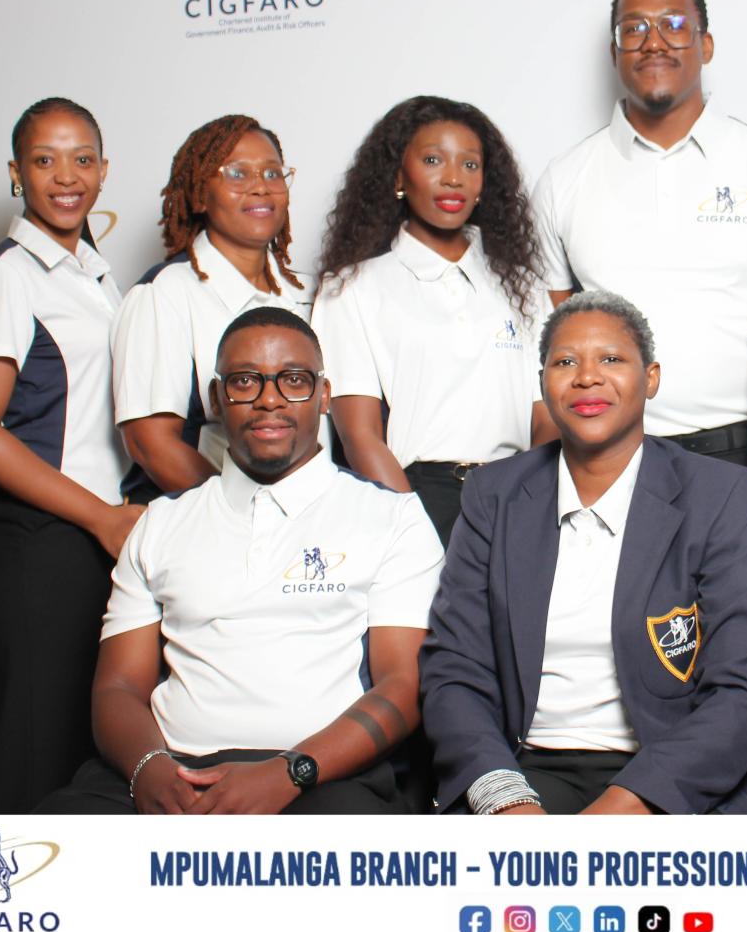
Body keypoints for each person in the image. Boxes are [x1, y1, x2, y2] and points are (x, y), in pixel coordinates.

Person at [39, 308, 444, 814]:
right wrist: (152, 771)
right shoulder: (161, 523)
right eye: (245, 381)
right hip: (172, 769)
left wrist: (289, 773)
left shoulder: (393, 517)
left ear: (324, 395)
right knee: (50, 835)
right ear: (216, 399)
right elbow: (118, 687)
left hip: (321, 777)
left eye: (293, 380)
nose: (269, 399)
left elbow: (403, 685)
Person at [420, 291, 747, 814]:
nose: (587, 377)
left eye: (611, 359)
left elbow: (745, 687)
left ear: (651, 378)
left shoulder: (722, 495)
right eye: (565, 362)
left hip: (675, 775)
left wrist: (622, 809)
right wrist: (505, 799)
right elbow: (455, 670)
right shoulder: (493, 496)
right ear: (542, 383)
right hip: (525, 770)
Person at [533, 0, 747, 467]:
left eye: (673, 24)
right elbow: (551, 340)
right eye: (634, 29)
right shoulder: (564, 180)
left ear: (705, 44)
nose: (654, 42)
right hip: (610, 458)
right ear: (614, 52)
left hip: (745, 455)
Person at [0, 97, 143, 813]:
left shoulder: (93, 274)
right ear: (16, 173)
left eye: (82, 159)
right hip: (32, 536)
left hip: (89, 533)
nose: (67, 177)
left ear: (103, 171)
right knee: (37, 750)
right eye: (44, 160)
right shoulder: (7, 276)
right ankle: (8, 886)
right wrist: (102, 518)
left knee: (82, 755)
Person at [311, 96, 551, 545]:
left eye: (470, 164)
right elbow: (360, 436)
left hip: (517, 494)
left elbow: (547, 417)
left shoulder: (523, 286)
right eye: (433, 160)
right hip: (416, 498)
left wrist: (530, 506)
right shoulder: (351, 288)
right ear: (398, 176)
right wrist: (413, 533)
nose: (454, 178)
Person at [111, 114, 310, 502]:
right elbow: (150, 444)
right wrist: (247, 516)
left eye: (273, 173)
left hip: (312, 524)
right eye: (237, 173)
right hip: (210, 521)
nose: (260, 187)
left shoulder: (311, 293)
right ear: (200, 193)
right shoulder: (164, 294)